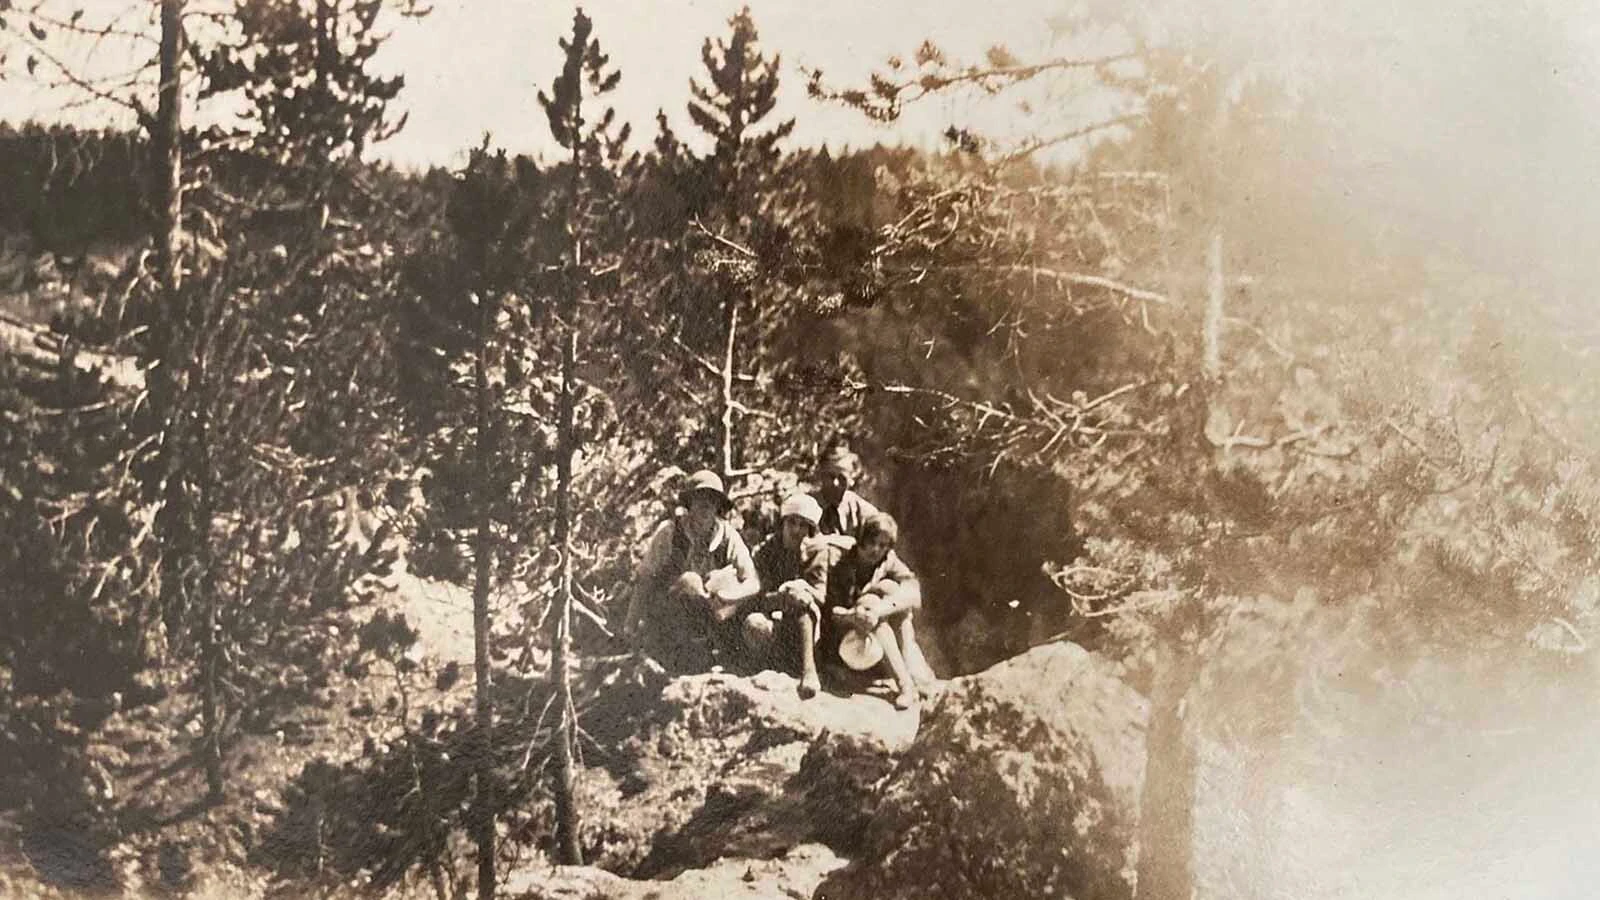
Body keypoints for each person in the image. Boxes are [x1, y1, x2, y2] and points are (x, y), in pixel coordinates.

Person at [621, 469, 760, 673]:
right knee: (690, 581)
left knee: (724, 581)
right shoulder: (670, 532)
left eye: (712, 500)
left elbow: (752, 582)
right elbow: (644, 580)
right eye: (700, 499)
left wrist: (728, 596)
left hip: (711, 617)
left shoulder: (727, 536)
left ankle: (718, 655)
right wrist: (630, 626)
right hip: (669, 615)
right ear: (690, 503)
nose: (706, 506)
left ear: (718, 506)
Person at [824, 512, 938, 709]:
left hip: (873, 635)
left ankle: (909, 670)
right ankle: (905, 684)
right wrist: (853, 616)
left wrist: (878, 610)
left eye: (883, 545)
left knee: (890, 589)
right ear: (862, 539)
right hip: (843, 641)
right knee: (870, 602)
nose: (876, 550)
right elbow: (831, 612)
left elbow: (914, 594)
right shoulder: (842, 561)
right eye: (872, 542)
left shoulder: (888, 561)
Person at [746, 493, 829, 698]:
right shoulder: (765, 550)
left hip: (804, 626)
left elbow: (821, 595)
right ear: (782, 523)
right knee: (754, 623)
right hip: (772, 617)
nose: (796, 530)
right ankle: (759, 669)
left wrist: (802, 589)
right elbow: (756, 596)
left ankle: (809, 671)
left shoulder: (817, 552)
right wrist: (782, 597)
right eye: (792, 522)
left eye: (803, 525)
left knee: (802, 604)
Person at [810, 444, 880, 542]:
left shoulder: (863, 511)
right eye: (830, 476)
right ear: (821, 475)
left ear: (851, 480)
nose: (835, 483)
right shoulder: (808, 505)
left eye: (842, 478)